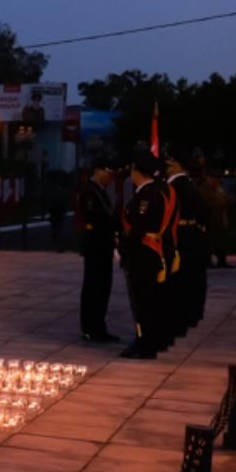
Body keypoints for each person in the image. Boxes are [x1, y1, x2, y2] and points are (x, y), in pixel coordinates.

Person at [119, 151, 171, 359]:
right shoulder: (151, 192)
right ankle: (148, 339)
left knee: (142, 300)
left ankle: (145, 343)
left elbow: (138, 228)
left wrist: (124, 249)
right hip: (144, 251)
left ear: (137, 171)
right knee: (145, 299)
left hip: (143, 252)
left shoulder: (147, 195)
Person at [165, 151, 208, 332]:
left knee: (180, 277)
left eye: (171, 164)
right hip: (191, 234)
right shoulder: (187, 185)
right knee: (191, 276)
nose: (167, 167)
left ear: (180, 167)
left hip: (180, 235)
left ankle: (181, 316)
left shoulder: (175, 186)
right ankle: (191, 314)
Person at [76, 164, 120, 343]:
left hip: (103, 244)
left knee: (102, 287)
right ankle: (92, 328)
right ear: (97, 171)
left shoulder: (100, 190)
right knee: (94, 287)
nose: (110, 177)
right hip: (96, 245)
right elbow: (94, 217)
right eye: (108, 173)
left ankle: (98, 326)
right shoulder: (90, 191)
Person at [196, 158, 233, 268]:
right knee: (208, 243)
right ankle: (207, 261)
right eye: (215, 179)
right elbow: (206, 203)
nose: (218, 181)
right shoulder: (204, 189)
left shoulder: (219, 190)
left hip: (219, 220)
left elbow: (228, 200)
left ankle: (222, 261)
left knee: (220, 242)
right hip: (209, 220)